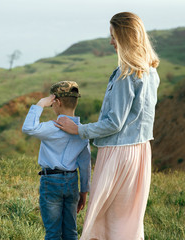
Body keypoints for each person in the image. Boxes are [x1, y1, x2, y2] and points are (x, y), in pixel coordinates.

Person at [55, 12, 160, 240]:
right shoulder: (150, 72)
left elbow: (114, 123)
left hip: (118, 152)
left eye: (113, 36)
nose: (111, 41)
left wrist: (79, 130)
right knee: (129, 216)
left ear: (125, 38)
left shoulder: (126, 74)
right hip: (141, 151)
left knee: (104, 215)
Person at [22, 81, 91, 240]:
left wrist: (40, 104)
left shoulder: (53, 127)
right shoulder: (81, 130)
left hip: (51, 181)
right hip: (72, 182)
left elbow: (28, 128)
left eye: (52, 104)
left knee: (53, 232)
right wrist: (84, 192)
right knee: (70, 232)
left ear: (57, 102)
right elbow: (85, 165)